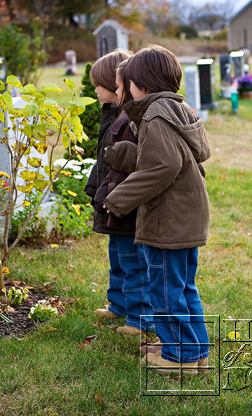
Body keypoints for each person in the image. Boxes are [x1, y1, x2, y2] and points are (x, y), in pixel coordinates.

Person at [103, 45, 211, 374]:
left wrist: (119, 199)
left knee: (164, 290)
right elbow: (169, 157)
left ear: (142, 84)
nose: (128, 89)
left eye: (130, 82)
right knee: (180, 287)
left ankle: (180, 358)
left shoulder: (155, 114)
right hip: (184, 215)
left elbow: (164, 166)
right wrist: (128, 154)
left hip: (169, 218)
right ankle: (193, 350)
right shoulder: (177, 109)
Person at [84, 50, 154, 336]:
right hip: (110, 199)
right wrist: (94, 188)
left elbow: (130, 165)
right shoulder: (112, 115)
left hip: (125, 203)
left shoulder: (129, 120)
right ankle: (119, 304)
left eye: (100, 84)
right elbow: (104, 160)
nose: (96, 90)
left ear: (118, 85)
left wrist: (113, 196)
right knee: (117, 256)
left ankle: (140, 318)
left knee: (132, 260)